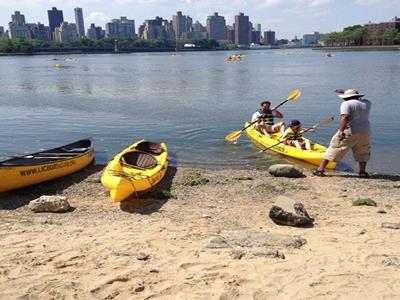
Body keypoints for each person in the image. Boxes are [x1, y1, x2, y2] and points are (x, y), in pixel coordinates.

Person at [312, 89, 372, 178]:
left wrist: (341, 131)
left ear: (346, 98)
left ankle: (320, 170)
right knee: (363, 151)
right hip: (365, 131)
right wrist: (347, 91)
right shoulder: (367, 103)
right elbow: (361, 98)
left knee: (334, 148)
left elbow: (345, 117)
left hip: (350, 131)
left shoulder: (346, 104)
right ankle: (362, 172)